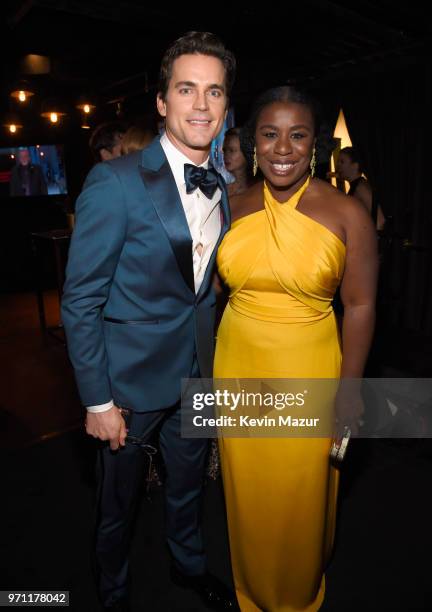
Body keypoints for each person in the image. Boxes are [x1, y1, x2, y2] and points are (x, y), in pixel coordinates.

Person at [61, 31, 237, 612]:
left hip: (197, 375)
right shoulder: (115, 182)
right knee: (118, 507)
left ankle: (187, 567)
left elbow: (200, 288)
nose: (201, 106)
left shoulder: (224, 184)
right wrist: (97, 400)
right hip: (128, 388)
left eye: (214, 91)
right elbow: (81, 298)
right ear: (162, 101)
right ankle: (112, 594)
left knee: (187, 490)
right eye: (187, 90)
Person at [214, 86, 378, 611]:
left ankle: (298, 594)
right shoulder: (230, 207)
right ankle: (251, 591)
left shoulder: (347, 212)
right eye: (269, 133)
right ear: (253, 143)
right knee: (248, 494)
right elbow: (206, 294)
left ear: (313, 146)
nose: (282, 147)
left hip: (309, 367)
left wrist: (350, 393)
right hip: (238, 365)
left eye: (297, 134)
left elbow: (360, 306)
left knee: (299, 495)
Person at [336, 146, 386, 230]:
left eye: (342, 162)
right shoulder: (357, 186)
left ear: (355, 165)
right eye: (338, 162)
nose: (338, 166)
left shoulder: (361, 187)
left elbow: (380, 221)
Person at [222, 127, 253, 196]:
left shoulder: (259, 189)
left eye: (232, 150)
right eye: (224, 150)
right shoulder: (223, 190)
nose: (226, 155)